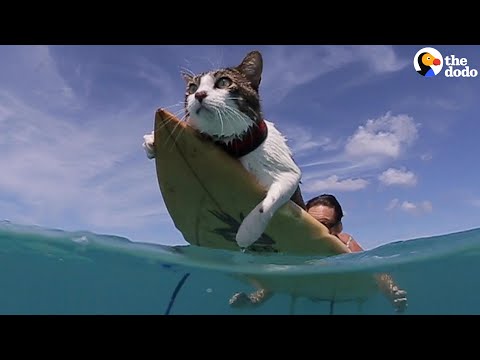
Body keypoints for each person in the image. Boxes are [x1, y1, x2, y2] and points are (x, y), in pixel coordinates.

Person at [229, 194, 408, 313]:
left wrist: (393, 293)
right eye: (310, 223)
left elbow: (375, 270)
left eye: (322, 224)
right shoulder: (295, 246)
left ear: (338, 226)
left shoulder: (345, 242)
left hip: (342, 299)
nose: (314, 230)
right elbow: (280, 281)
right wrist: (252, 300)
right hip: (310, 295)